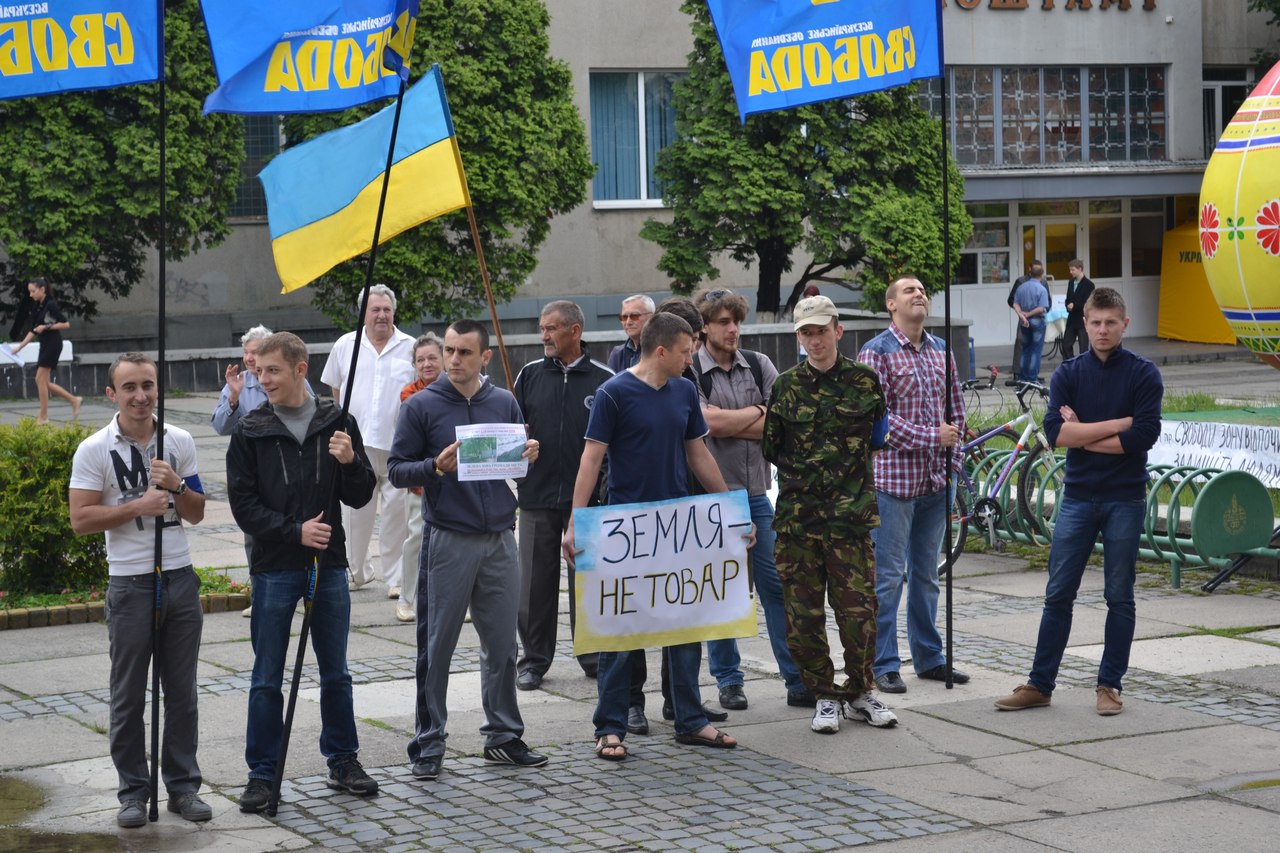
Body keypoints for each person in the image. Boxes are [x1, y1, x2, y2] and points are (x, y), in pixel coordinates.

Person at [563, 311, 743, 763]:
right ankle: (609, 726)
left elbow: (697, 453)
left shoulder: (684, 391)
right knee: (622, 634)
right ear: (661, 350)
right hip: (625, 528)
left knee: (685, 630)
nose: (691, 358)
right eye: (686, 351)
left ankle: (689, 720)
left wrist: (729, 509)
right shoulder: (613, 393)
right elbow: (591, 459)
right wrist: (575, 522)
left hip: (678, 527)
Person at [388, 319, 548, 782]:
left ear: (485, 358)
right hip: (449, 537)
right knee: (436, 646)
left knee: (501, 645)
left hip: (499, 535)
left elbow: (514, 467)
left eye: (462, 352)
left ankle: (502, 736)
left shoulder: (503, 401)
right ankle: (429, 741)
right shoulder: (421, 406)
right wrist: (433, 467)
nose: (453, 360)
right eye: (449, 350)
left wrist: (528, 454)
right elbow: (397, 470)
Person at [226, 332, 379, 812]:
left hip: (328, 566)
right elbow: (244, 507)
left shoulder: (337, 420)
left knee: (337, 672)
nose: (263, 379)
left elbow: (360, 493)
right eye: (258, 371)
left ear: (300, 368)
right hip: (274, 568)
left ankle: (343, 760)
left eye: (272, 370)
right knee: (267, 676)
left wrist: (351, 461)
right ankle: (262, 774)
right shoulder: (250, 429)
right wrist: (294, 532)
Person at [995, 288, 1162, 717]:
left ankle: (1109, 686)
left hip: (1125, 497)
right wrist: (1115, 427)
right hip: (1078, 498)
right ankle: (1039, 684)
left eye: (1110, 322)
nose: (1102, 329)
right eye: (1095, 322)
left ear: (1125, 324)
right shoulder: (1068, 374)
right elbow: (1056, 435)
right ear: (1084, 324)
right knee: (1058, 595)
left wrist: (1083, 433)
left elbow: (1142, 437)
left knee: (1119, 597)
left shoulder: (1144, 375)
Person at [68, 352, 209, 828]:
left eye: (148, 385)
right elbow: (81, 519)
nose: (140, 395)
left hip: (180, 577)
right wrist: (137, 506)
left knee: (182, 692)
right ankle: (132, 791)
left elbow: (196, 513)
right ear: (112, 394)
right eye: (129, 387)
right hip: (129, 582)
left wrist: (177, 488)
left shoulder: (179, 441)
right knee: (128, 694)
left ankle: (184, 788)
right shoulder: (94, 449)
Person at [762, 295, 897, 735]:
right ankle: (823, 694)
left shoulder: (865, 381)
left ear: (838, 330)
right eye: (805, 332)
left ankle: (860, 691)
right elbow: (773, 448)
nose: (814, 339)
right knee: (802, 618)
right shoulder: (784, 386)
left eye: (821, 330)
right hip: (799, 523)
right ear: (798, 337)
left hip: (851, 520)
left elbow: (878, 438)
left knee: (859, 614)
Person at [691, 287, 813, 710]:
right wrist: (756, 415)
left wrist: (743, 421)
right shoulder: (692, 368)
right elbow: (705, 425)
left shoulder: (758, 364)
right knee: (724, 592)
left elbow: (781, 421)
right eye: (723, 322)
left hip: (759, 494)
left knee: (777, 587)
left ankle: (795, 677)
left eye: (736, 321)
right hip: (714, 498)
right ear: (704, 327)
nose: (732, 329)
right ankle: (728, 679)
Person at [857, 276, 970, 695]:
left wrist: (953, 460)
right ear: (891, 305)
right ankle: (883, 664)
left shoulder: (941, 351)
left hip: (935, 483)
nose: (918, 295)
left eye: (922, 290)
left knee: (927, 576)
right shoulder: (876, 352)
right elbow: (877, 420)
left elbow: (955, 408)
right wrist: (932, 438)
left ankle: (929, 658)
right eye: (909, 291)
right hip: (892, 485)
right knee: (887, 578)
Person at [513, 301, 613, 689]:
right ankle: (534, 660)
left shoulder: (604, 378)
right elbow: (511, 429)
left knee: (586, 581)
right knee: (534, 585)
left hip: (587, 502)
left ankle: (592, 656)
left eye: (552, 329)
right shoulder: (528, 374)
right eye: (542, 328)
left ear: (575, 331)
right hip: (536, 495)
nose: (544, 336)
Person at [321, 284, 416, 603]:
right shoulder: (346, 345)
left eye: (387, 310)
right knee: (354, 512)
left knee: (396, 515)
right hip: (356, 447)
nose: (382, 315)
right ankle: (357, 572)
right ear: (364, 312)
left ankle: (396, 577)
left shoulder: (410, 347)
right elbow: (335, 391)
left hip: (398, 445)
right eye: (375, 309)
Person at [212, 325, 311, 620]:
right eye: (247, 353)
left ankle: (306, 590)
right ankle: (261, 593)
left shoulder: (294, 381)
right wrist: (232, 398)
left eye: (256, 352)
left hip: (291, 473)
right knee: (254, 536)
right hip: (256, 473)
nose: (251, 359)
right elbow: (220, 427)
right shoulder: (238, 384)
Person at [394, 333, 444, 624]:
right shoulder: (410, 396)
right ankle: (406, 597)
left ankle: (457, 600)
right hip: (420, 478)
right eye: (420, 359)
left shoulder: (460, 388)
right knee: (416, 538)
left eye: (432, 358)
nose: (426, 364)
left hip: (455, 480)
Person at [11, 277, 82, 424]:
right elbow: (33, 329)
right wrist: (19, 347)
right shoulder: (37, 306)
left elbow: (65, 324)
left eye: (33, 291)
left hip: (53, 344)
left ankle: (43, 416)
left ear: (42, 289)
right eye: (29, 291)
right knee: (44, 382)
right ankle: (73, 400)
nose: (30, 294)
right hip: (45, 345)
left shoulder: (51, 305)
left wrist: (46, 327)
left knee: (39, 379)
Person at [1011, 263, 1050, 382]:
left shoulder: (1022, 287)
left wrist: (1021, 315)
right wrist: (1028, 314)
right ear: (1041, 275)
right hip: (1037, 321)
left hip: (1024, 322)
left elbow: (1014, 303)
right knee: (1035, 351)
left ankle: (1022, 377)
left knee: (1025, 349)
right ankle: (1032, 378)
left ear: (1030, 273)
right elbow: (1042, 308)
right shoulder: (1041, 288)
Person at [607, 294, 654, 372]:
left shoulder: (662, 351)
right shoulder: (618, 354)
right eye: (624, 317)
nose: (628, 322)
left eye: (634, 316)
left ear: (651, 317)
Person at [1061, 260, 1095, 359]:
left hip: (1082, 320)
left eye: (1073, 270)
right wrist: (1068, 305)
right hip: (1072, 319)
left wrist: (1074, 305)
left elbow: (1089, 303)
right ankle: (1070, 366)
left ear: (1080, 269)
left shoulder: (1089, 284)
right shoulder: (1071, 282)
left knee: (1083, 348)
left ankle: (1083, 370)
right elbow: (1068, 298)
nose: (1070, 272)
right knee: (1066, 345)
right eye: (1070, 270)